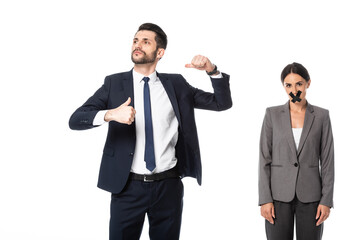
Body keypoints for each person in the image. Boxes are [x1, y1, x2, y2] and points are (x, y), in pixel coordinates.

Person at [69, 23, 232, 240]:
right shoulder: (114, 83)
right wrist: (110, 114)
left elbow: (222, 103)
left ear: (160, 52)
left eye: (146, 42)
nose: (138, 45)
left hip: (168, 186)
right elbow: (75, 119)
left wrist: (212, 71)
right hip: (127, 188)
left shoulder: (177, 84)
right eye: (135, 40)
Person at [258, 62, 334, 240]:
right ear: (283, 86)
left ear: (308, 83)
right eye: (288, 85)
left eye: (299, 83)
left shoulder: (322, 116)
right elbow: (264, 159)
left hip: (311, 198)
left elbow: (328, 161)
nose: (294, 89)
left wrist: (326, 200)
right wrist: (265, 199)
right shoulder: (272, 115)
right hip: (277, 197)